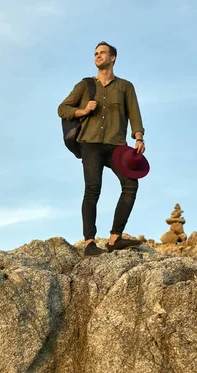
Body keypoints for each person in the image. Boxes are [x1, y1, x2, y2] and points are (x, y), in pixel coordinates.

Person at [58, 41, 146, 256]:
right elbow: (63, 109)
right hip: (91, 144)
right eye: (95, 53)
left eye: (102, 53)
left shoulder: (125, 86)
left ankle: (115, 238)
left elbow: (134, 113)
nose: (98, 56)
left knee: (130, 184)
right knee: (92, 190)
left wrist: (139, 137)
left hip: (117, 146)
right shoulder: (85, 85)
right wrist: (83, 110)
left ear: (112, 57)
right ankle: (89, 242)